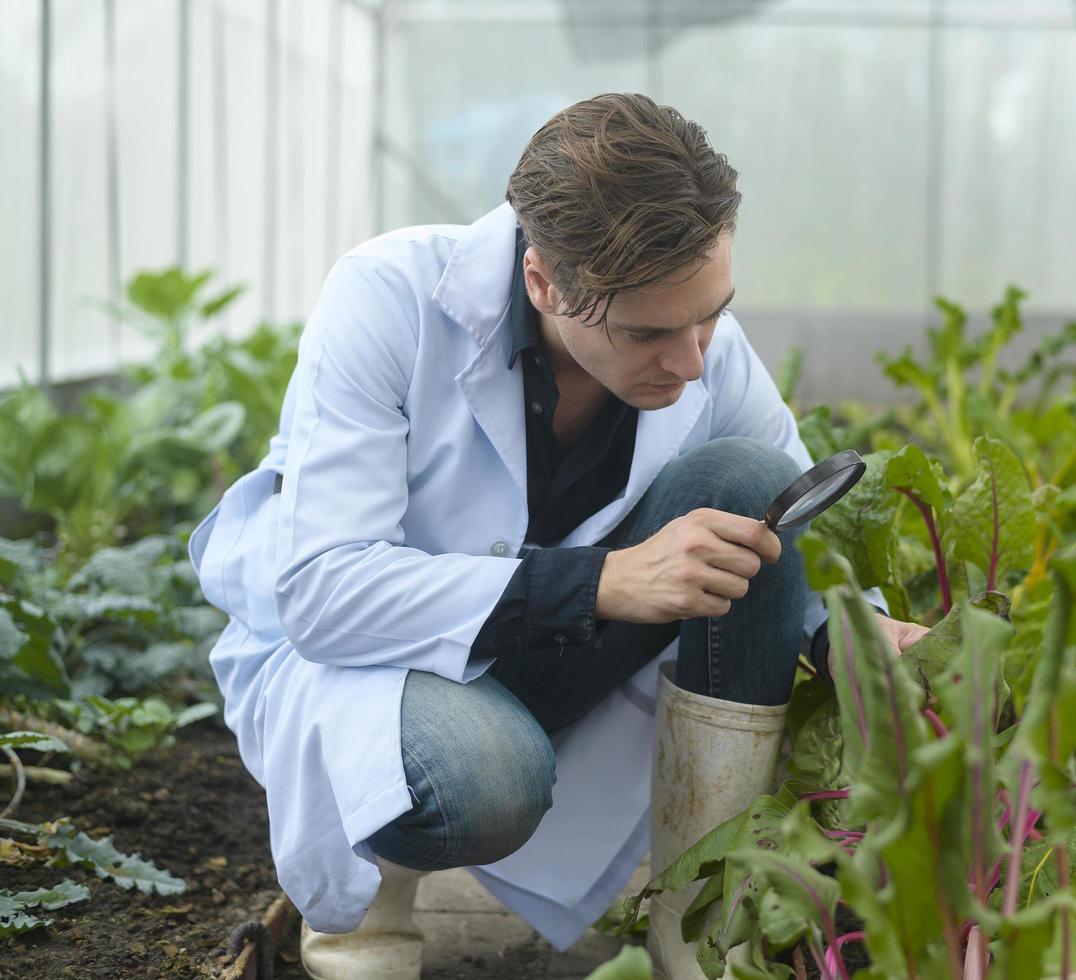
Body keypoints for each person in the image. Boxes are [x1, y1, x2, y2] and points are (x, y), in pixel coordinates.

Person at [188, 93, 929, 980]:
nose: (693, 361)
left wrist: (854, 631)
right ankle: (375, 882)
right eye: (648, 332)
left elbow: (797, 518)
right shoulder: (388, 298)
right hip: (373, 667)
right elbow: (321, 590)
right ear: (544, 283)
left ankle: (696, 916)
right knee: (482, 781)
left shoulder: (695, 347)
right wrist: (601, 583)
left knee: (746, 484)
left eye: (713, 313)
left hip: (547, 658)